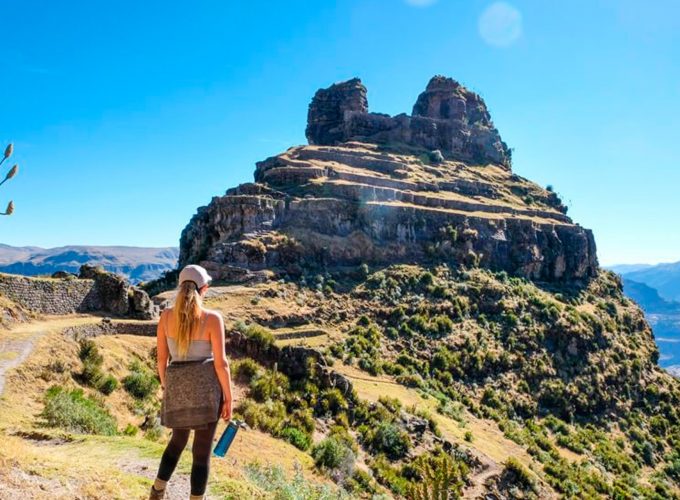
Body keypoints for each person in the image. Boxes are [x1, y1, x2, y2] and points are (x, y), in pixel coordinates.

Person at [149, 264, 233, 500]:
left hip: (178, 386)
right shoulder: (213, 319)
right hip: (207, 391)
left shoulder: (166, 316)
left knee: (177, 441)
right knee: (202, 450)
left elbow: (162, 358)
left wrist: (169, 387)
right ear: (204, 289)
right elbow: (221, 364)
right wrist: (228, 397)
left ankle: (157, 490)